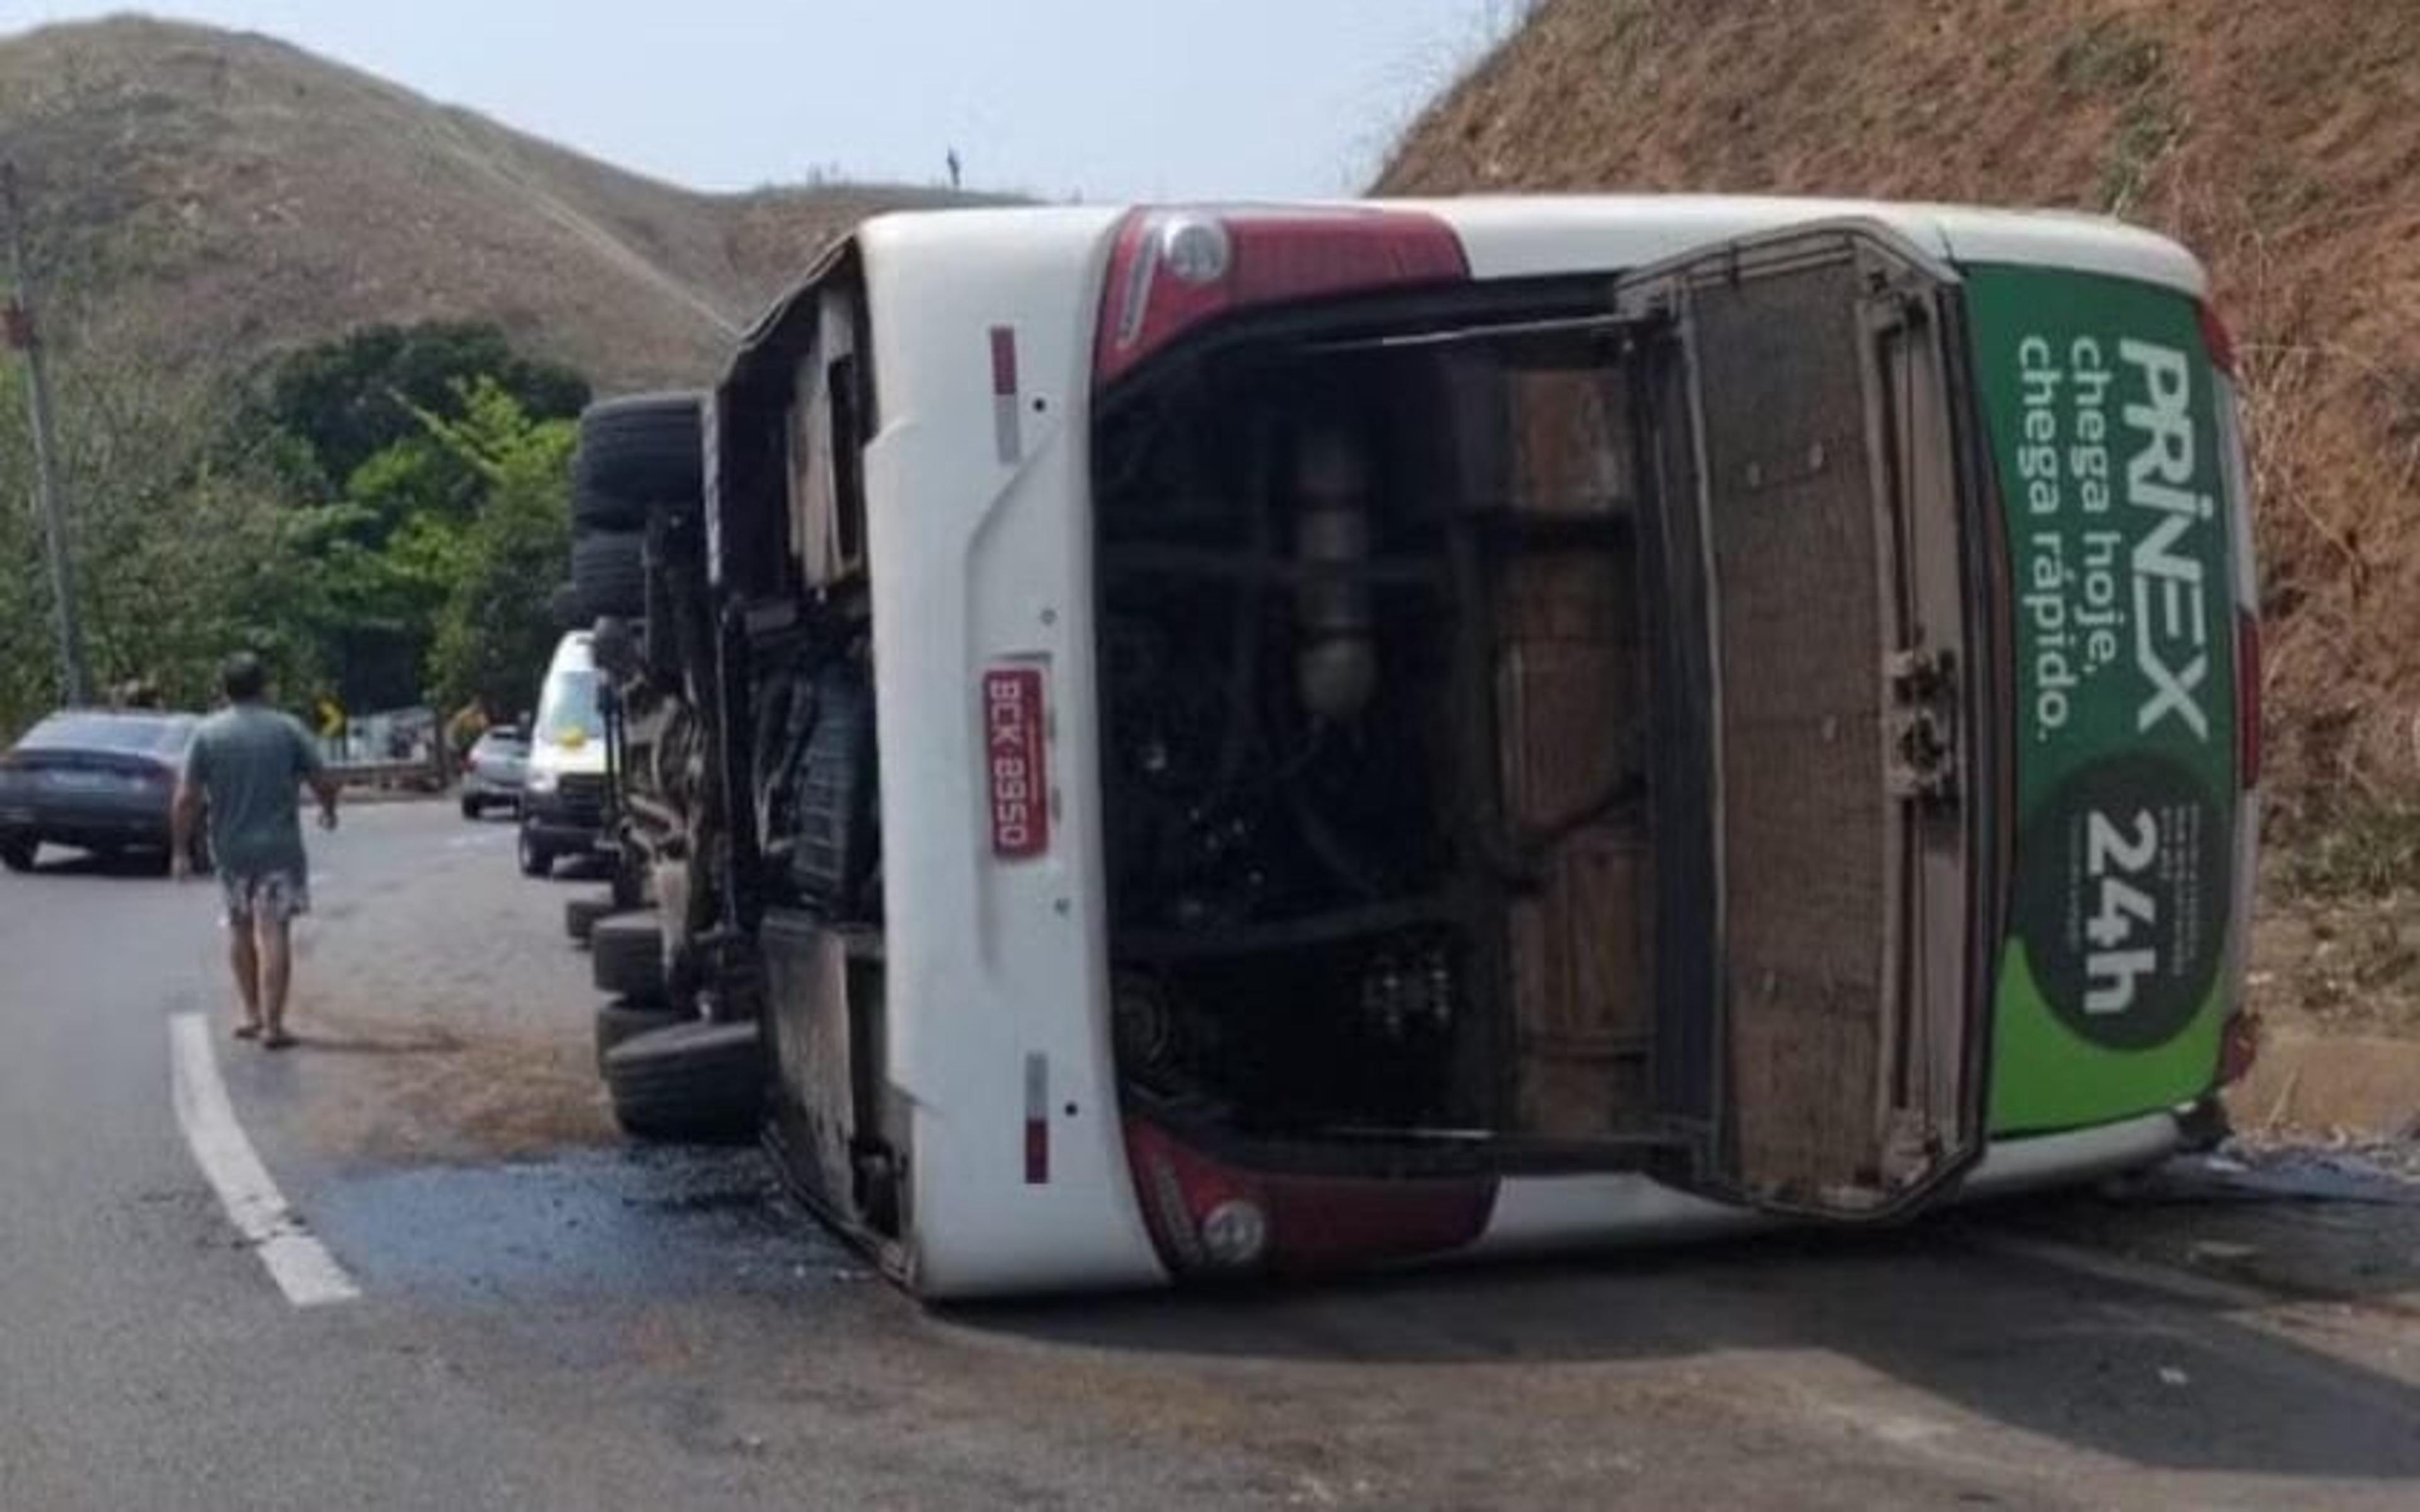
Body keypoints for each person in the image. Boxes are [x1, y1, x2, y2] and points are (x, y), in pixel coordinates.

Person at [171, 652, 342, 1050]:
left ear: (224, 690)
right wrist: (329, 811)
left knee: (240, 927)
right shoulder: (288, 729)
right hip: (279, 850)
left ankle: (250, 1013)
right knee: (275, 930)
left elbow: (186, 797)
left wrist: (179, 849)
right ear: (264, 687)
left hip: (230, 851)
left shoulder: (207, 734)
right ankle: (274, 1025)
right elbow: (323, 779)